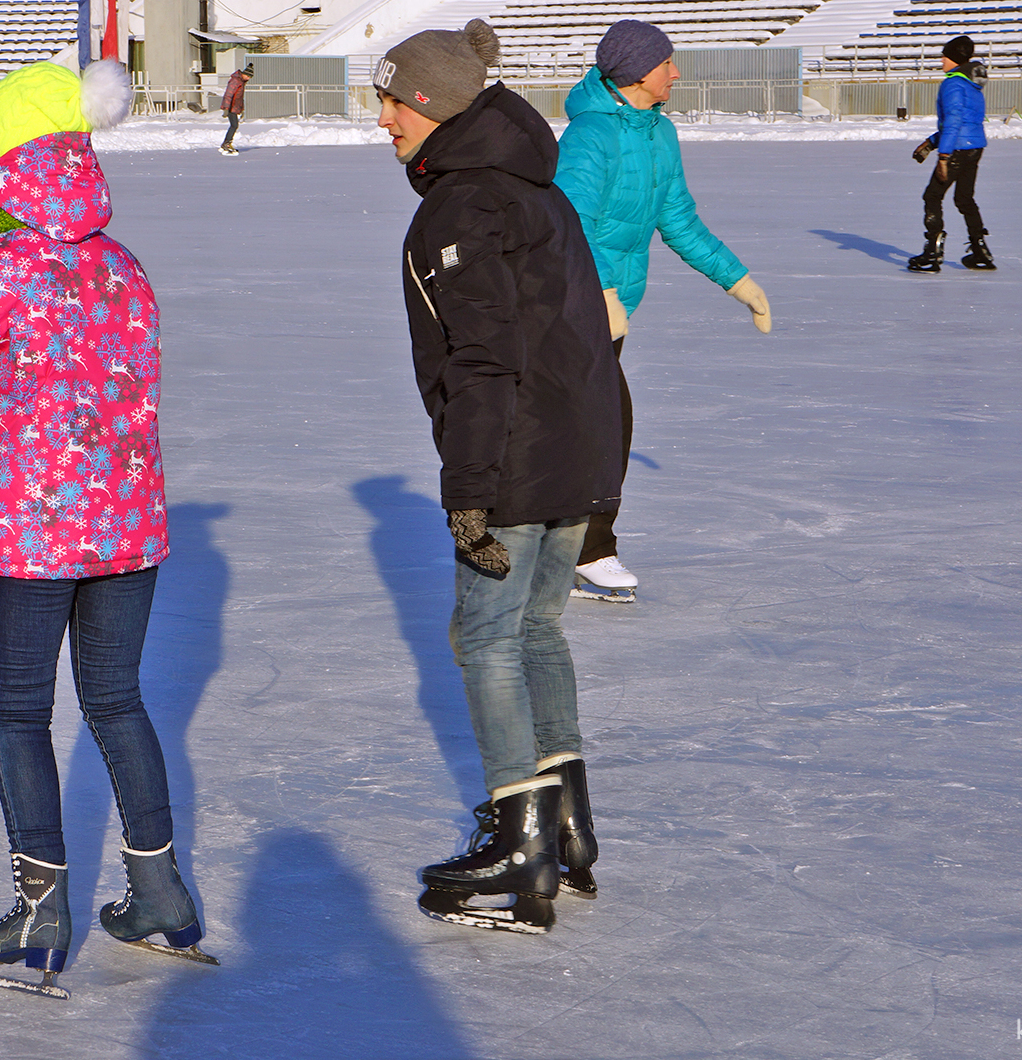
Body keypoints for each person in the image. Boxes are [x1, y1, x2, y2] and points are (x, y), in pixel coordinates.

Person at [0, 58, 213, 998]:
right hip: (130, 527)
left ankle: (37, 918)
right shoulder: (123, 266)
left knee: (21, 713)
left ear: (5, 165)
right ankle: (161, 895)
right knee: (118, 701)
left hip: (33, 531)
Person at [376, 19, 623, 934]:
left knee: (484, 639)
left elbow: (483, 357)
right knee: (537, 629)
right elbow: (591, 342)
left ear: (435, 105)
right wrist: (604, 481)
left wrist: (468, 491)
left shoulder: (466, 205)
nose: (384, 120)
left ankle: (520, 847)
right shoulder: (532, 191)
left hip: (517, 458)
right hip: (574, 450)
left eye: (395, 102)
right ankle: (566, 828)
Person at [554, 19, 770, 603]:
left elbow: (677, 218)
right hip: (572, 309)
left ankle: (560, 547)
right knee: (604, 426)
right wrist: (599, 296)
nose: (676, 71)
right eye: (667, 62)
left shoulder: (659, 132)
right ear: (635, 70)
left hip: (613, 312)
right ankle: (588, 553)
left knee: (589, 428)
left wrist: (737, 280)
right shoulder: (589, 137)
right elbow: (569, 224)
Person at [907, 35, 992, 272]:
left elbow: (954, 120)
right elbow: (964, 122)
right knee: (964, 199)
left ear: (954, 59)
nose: (942, 60)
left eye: (945, 56)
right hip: (974, 147)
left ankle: (932, 253)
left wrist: (943, 156)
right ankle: (980, 251)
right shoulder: (971, 84)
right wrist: (931, 142)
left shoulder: (953, 83)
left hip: (957, 149)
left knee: (932, 196)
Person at [219, 63, 252, 155]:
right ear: (244, 74)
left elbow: (240, 97)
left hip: (234, 107)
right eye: (248, 76)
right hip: (231, 107)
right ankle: (226, 144)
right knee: (234, 125)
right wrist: (226, 108)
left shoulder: (241, 82)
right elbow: (228, 95)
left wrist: (241, 109)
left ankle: (227, 143)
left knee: (234, 125)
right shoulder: (235, 81)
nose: (248, 79)